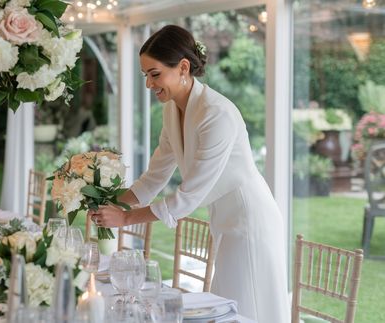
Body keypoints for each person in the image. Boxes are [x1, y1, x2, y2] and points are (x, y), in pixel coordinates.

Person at [88, 25, 290, 322]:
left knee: (248, 310)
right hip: (224, 221)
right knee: (229, 308)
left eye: (155, 74)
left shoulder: (216, 114)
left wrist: (128, 218)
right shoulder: (173, 110)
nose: (148, 84)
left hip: (251, 223)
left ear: (183, 67)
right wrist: (110, 201)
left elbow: (188, 196)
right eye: (145, 75)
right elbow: (155, 177)